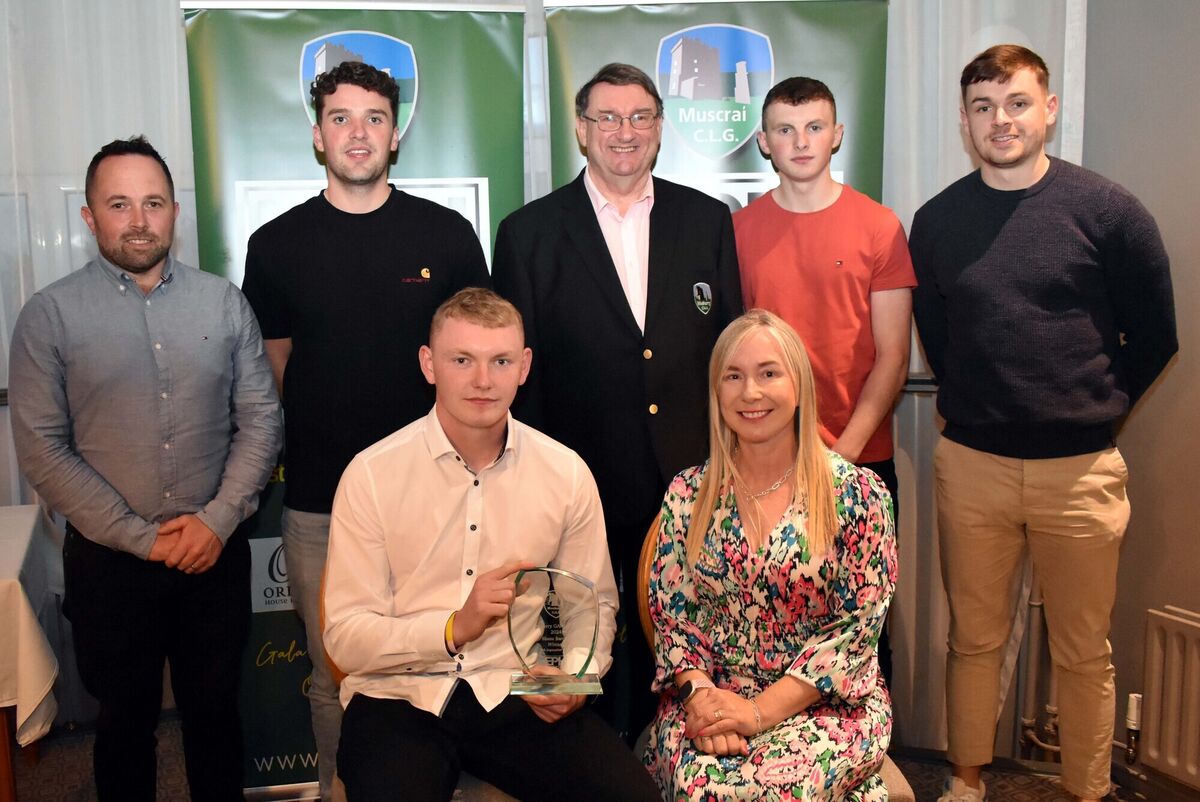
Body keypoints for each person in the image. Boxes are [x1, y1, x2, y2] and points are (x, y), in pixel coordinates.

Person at [910, 45, 1177, 802]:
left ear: (1048, 109)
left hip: (1082, 470)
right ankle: (965, 780)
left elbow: (1155, 336)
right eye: (985, 107)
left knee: (1084, 652)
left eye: (1018, 102)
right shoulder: (937, 222)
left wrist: (1091, 412)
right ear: (965, 120)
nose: (1003, 120)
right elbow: (940, 329)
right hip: (972, 467)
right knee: (974, 641)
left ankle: (1088, 790)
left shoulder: (1110, 212)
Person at [241, 60, 490, 798]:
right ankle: (337, 789)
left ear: (395, 134)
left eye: (374, 118)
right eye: (342, 119)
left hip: (443, 497)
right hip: (321, 501)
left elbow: (476, 357)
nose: (358, 133)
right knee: (333, 671)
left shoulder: (445, 235)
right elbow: (277, 367)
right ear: (318, 137)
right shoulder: (275, 244)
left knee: (453, 661)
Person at [9, 136, 283, 802]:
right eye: (119, 204)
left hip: (212, 557)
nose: (139, 219)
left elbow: (262, 421)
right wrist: (143, 537)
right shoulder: (48, 316)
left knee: (215, 714)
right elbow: (43, 447)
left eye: (153, 203)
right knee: (123, 723)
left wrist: (215, 522)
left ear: (174, 212)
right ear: (89, 217)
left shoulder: (223, 304)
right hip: (109, 566)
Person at [322, 288, 660, 802]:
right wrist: (454, 627)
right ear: (429, 364)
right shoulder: (371, 474)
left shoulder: (565, 472)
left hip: (517, 688)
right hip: (398, 695)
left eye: (500, 361)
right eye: (463, 360)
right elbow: (346, 636)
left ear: (524, 367)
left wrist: (572, 679)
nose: (483, 380)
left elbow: (590, 606)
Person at [492, 62, 742, 737]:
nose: (623, 132)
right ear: (580, 129)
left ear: (659, 129)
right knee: (579, 653)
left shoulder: (708, 220)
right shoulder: (528, 233)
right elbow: (519, 373)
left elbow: (729, 358)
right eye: (607, 117)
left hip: (688, 484)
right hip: (576, 483)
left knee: (688, 643)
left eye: (638, 117)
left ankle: (681, 758)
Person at [644, 310, 896, 801]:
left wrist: (757, 712)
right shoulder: (687, 494)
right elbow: (674, 620)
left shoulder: (857, 494)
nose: (750, 393)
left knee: (780, 789)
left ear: (798, 384)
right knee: (703, 786)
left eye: (768, 373)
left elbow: (851, 635)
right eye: (733, 376)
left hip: (825, 705)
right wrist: (704, 701)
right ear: (716, 392)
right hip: (709, 695)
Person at [733, 76, 915, 681]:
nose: (800, 141)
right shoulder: (737, 231)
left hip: (858, 460)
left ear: (837, 136)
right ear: (764, 141)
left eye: (814, 127)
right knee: (769, 624)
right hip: (764, 463)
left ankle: (871, 756)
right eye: (785, 129)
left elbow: (893, 355)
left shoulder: (879, 226)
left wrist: (845, 457)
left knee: (861, 628)